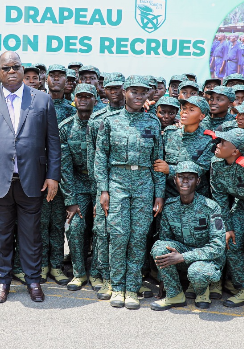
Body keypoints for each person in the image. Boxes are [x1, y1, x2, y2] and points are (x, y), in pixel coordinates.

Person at [0, 51, 61, 304]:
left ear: (23, 71)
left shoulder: (41, 100)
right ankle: (2, 281)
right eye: (5, 68)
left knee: (31, 234)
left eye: (16, 67)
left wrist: (53, 176)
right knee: (1, 234)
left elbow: (53, 142)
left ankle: (32, 280)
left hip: (32, 179)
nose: (11, 71)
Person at [95, 75, 165, 310]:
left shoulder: (152, 123)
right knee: (117, 235)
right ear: (125, 92)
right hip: (118, 182)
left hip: (145, 182)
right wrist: (103, 189)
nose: (138, 96)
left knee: (137, 237)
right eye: (134, 91)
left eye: (143, 92)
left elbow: (157, 160)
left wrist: (159, 193)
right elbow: (100, 157)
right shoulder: (110, 121)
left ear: (148, 96)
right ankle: (117, 286)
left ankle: (132, 288)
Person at [150, 161, 225, 310]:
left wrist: (183, 257)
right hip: (182, 254)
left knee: (197, 271)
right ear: (174, 180)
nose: (185, 181)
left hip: (207, 259)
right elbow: (166, 241)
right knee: (159, 247)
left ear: (198, 181)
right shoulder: (170, 207)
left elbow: (218, 247)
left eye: (190, 177)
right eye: (181, 177)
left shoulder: (210, 207)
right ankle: (174, 294)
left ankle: (202, 290)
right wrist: (163, 279)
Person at [209, 128, 244, 320]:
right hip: (243, 206)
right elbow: (219, 196)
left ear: (235, 151)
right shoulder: (217, 164)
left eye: (223, 143)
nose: (217, 145)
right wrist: (228, 226)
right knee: (231, 243)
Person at [86, 72, 126, 297]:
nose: (114, 92)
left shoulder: (138, 116)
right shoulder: (97, 118)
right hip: (103, 187)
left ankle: (126, 278)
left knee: (124, 234)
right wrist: (98, 190)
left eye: (118, 87)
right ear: (104, 90)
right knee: (102, 232)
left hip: (129, 184)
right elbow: (94, 159)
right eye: (109, 88)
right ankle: (105, 275)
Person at [59, 83, 97, 290]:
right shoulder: (65, 128)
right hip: (78, 184)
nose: (83, 99)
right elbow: (64, 168)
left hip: (100, 184)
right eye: (79, 96)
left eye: (88, 96)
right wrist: (71, 201)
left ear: (95, 99)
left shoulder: (102, 124)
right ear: (74, 99)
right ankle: (79, 273)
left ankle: (99, 273)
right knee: (75, 227)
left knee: (102, 228)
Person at [40, 65, 74, 284]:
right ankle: (42, 265)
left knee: (58, 223)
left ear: (66, 80)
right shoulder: (38, 104)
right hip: (40, 173)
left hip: (64, 175)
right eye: (53, 76)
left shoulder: (72, 111)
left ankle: (56, 265)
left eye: (61, 76)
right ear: (47, 80)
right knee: (41, 223)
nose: (56, 80)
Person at [154, 95, 214, 198]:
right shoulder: (170, 133)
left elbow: (201, 169)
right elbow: (159, 165)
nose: (185, 112)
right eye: (184, 108)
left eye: (191, 110)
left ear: (202, 116)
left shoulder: (209, 141)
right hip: (169, 194)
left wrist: (170, 169)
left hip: (195, 197)